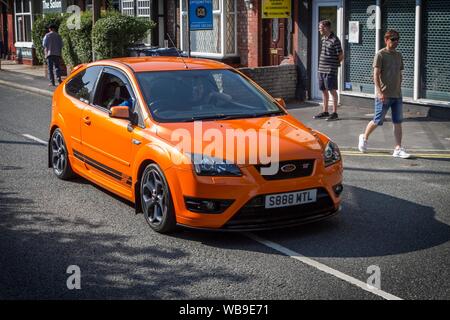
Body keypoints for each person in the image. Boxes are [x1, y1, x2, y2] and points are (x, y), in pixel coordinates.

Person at [358, 30, 410, 159]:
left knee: (398, 122)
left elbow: (400, 73)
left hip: (397, 94)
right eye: (393, 39)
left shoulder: (398, 55)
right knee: (377, 120)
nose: (396, 41)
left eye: (397, 39)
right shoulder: (380, 55)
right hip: (384, 94)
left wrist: (398, 86)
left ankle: (398, 148)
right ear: (386, 40)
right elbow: (375, 75)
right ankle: (364, 137)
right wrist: (379, 92)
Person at [314, 20, 343, 121]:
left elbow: (341, 55)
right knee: (323, 90)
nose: (319, 30)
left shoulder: (335, 40)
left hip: (330, 70)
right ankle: (325, 111)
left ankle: (334, 113)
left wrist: (334, 65)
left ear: (326, 28)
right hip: (321, 69)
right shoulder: (323, 38)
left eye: (320, 28)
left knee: (332, 91)